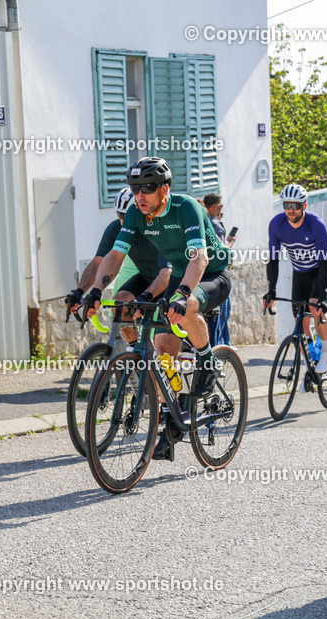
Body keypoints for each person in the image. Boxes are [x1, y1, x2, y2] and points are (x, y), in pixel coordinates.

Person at [83, 157, 232, 460]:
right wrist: (97, 288)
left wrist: (183, 294)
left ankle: (207, 361)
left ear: (164, 189)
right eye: (135, 188)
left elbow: (199, 258)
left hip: (211, 272)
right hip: (180, 271)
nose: (140, 195)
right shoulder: (137, 215)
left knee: (187, 306)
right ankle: (171, 421)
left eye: (147, 188)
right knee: (163, 352)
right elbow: (115, 255)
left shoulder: (185, 207)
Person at [66, 187, 171, 345]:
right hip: (146, 276)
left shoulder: (158, 227)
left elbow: (168, 272)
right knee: (120, 304)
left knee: (164, 345)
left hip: (170, 278)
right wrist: (81, 291)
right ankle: (136, 353)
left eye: (127, 215)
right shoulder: (116, 228)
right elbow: (98, 262)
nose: (123, 221)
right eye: (119, 215)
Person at [263, 183, 327, 375]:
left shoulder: (316, 224)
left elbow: (324, 264)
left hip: (323, 268)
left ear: (304, 206)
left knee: (315, 307)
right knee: (300, 319)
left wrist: (322, 297)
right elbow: (273, 260)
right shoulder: (276, 224)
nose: (290, 210)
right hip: (301, 271)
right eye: (286, 204)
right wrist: (272, 290)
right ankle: (310, 362)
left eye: (295, 205)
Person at [203, 193, 234, 346]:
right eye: (220, 205)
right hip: (219, 274)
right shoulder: (215, 224)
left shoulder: (204, 221)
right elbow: (221, 252)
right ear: (214, 206)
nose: (222, 208)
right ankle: (223, 348)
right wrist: (231, 244)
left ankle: (223, 347)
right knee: (223, 315)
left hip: (204, 276)